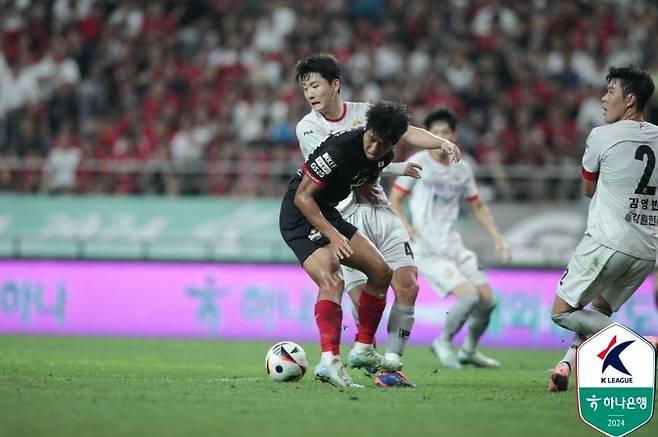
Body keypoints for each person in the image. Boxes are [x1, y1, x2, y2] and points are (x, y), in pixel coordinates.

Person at [294, 54, 460, 387]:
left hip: (379, 206)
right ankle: (363, 351)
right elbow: (337, 168)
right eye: (305, 88)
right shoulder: (308, 127)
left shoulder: (363, 113)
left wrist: (440, 141)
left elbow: (404, 130)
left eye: (315, 85)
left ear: (335, 85)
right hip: (344, 214)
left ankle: (392, 366)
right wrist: (393, 169)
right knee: (364, 300)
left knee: (409, 284)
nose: (310, 94)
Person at [280, 101, 410, 388]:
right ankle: (329, 362)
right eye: (372, 139)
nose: (375, 147)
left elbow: (368, 171)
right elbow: (302, 197)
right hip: (299, 215)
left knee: (381, 272)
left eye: (383, 144)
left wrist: (366, 188)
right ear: (366, 129)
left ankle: (363, 348)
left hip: (327, 211)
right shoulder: (339, 149)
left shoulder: (384, 155)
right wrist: (334, 236)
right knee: (333, 281)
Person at [548, 65, 658, 392]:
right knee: (598, 312)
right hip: (647, 249)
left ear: (630, 100)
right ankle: (566, 365)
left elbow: (587, 189)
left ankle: (641, 345)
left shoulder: (601, 135)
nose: (603, 97)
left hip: (607, 241)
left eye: (611, 91)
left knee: (562, 312)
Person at [389, 106, 511, 369]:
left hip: (453, 244)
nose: (440, 137)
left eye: (445, 132)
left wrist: (498, 238)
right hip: (426, 248)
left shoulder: (462, 169)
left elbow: (477, 205)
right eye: (435, 133)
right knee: (469, 297)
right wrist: (406, 225)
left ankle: (469, 350)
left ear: (453, 135)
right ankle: (443, 341)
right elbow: (395, 200)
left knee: (488, 301)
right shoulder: (418, 161)